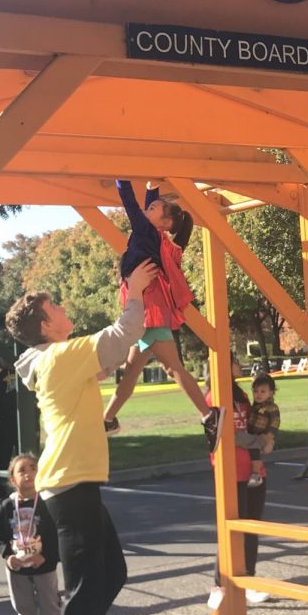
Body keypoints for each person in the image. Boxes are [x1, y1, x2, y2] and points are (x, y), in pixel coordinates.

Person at [6, 258, 156, 615]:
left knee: (111, 575)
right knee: (87, 590)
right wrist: (133, 290)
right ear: (46, 323)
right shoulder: (59, 355)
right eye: (57, 305)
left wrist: (102, 418)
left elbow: (110, 360)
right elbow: (121, 334)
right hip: (69, 489)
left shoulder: (59, 359)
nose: (65, 307)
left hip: (75, 484)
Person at [102, 179, 224, 451]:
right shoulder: (156, 237)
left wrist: (122, 179)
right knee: (132, 371)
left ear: (164, 223)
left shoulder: (148, 233)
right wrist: (151, 188)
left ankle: (208, 415)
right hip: (147, 307)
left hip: (149, 310)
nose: (151, 207)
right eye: (153, 205)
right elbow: (146, 208)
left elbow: (132, 206)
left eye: (157, 207)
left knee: (171, 367)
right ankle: (107, 419)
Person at [206, 357, 270, 610]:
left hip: (254, 470)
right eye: (233, 361)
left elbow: (253, 424)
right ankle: (220, 585)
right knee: (231, 530)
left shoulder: (241, 395)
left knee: (251, 527)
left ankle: (247, 581)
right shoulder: (212, 398)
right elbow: (225, 434)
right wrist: (258, 442)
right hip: (230, 471)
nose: (239, 364)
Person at [0, 453, 61, 615]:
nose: (28, 473)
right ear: (12, 479)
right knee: (23, 605)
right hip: (18, 567)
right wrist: (8, 556)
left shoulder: (47, 503)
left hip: (43, 564)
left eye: (33, 468)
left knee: (50, 604)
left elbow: (57, 534)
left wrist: (47, 556)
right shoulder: (7, 506)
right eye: (22, 470)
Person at [246, 373, 280, 488]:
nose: (258, 394)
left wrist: (269, 438)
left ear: (271, 392)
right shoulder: (255, 406)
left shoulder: (271, 407)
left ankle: (256, 474)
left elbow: (275, 423)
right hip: (252, 433)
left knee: (254, 451)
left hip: (262, 435)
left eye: (263, 391)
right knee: (251, 449)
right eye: (255, 391)